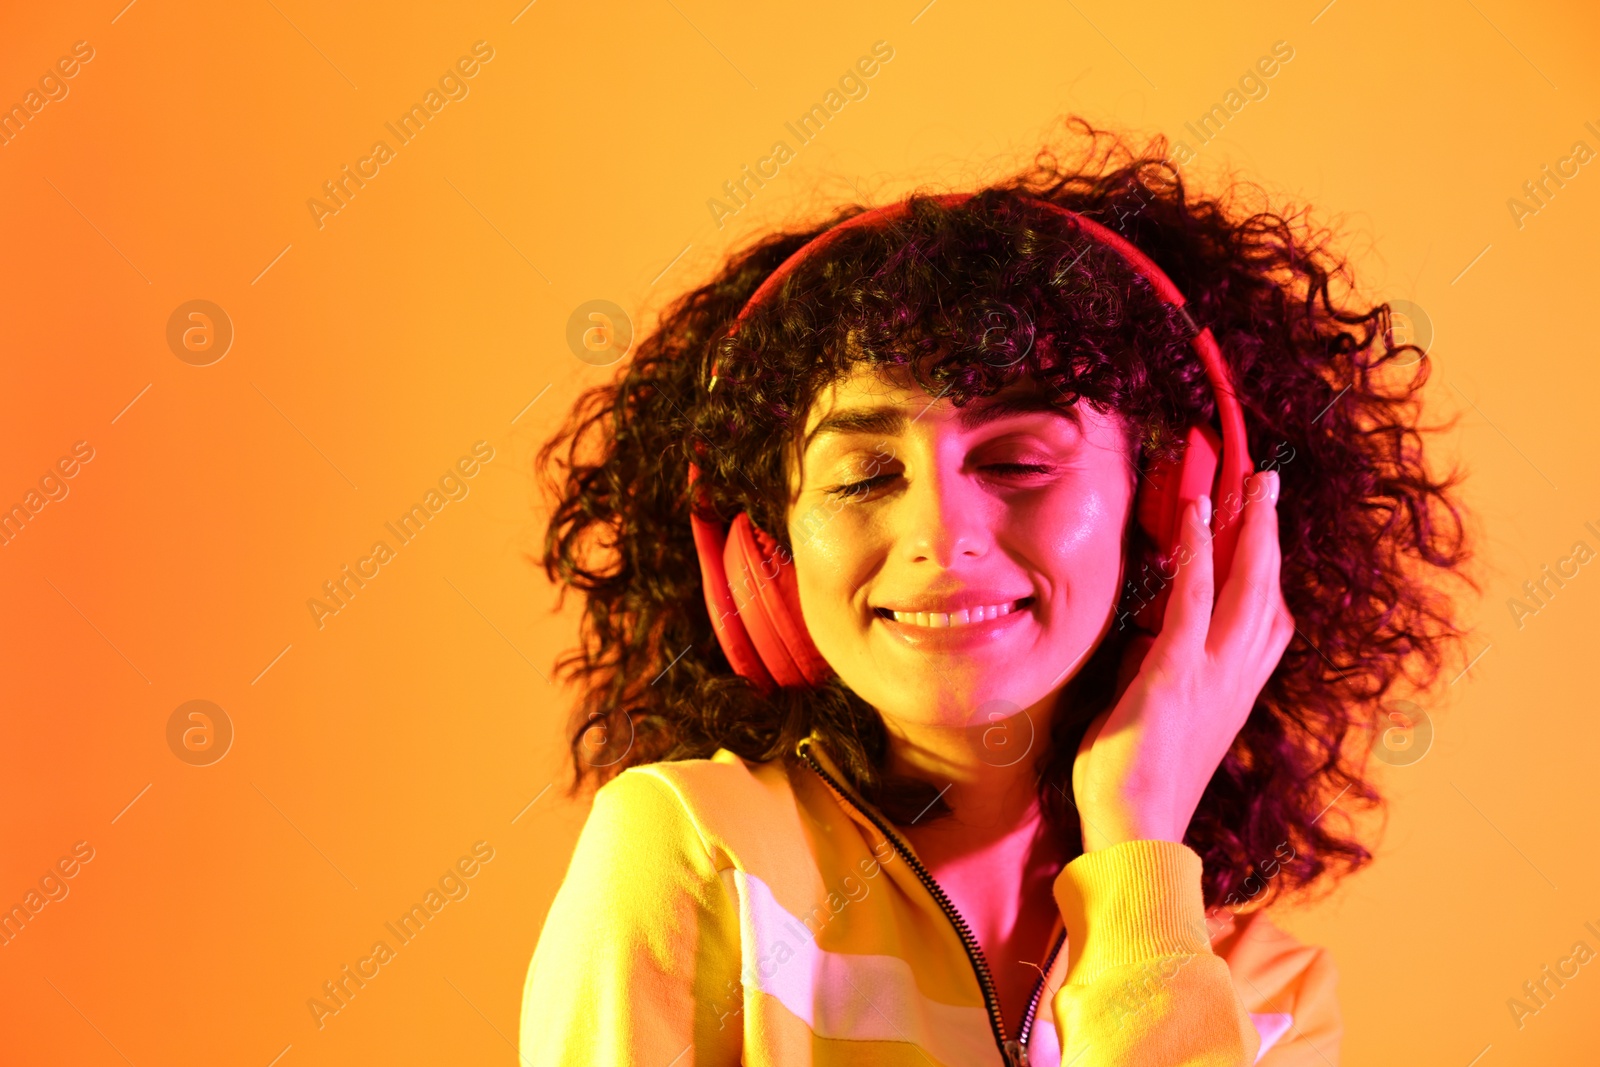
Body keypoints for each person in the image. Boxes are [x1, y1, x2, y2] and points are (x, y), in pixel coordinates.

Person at [519, 118, 1472, 1065]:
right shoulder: (693, 854)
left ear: (1171, 511)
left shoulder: (1269, 998)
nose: (941, 537)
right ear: (763, 559)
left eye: (1018, 460)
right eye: (861, 475)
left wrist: (1137, 860)